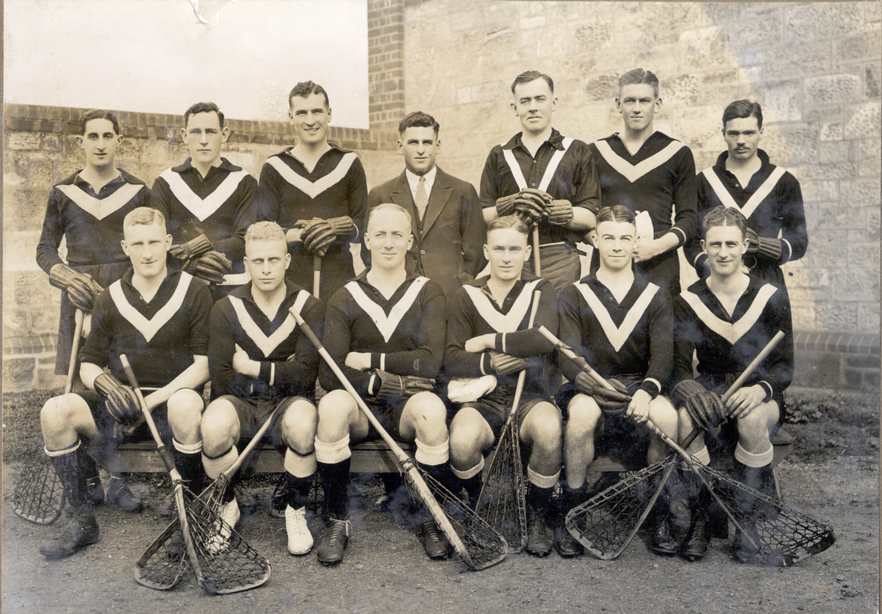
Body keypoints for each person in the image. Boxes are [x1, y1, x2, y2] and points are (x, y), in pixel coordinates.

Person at [37, 207, 211, 560]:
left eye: (153, 243)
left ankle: (187, 519)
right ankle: (84, 521)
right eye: (137, 244)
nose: (147, 252)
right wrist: (107, 386)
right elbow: (88, 363)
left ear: (167, 243)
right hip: (123, 413)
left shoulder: (194, 291)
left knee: (185, 402)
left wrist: (152, 400)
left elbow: (204, 366)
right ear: (125, 247)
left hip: (171, 410)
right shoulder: (110, 296)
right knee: (56, 411)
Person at [315, 204, 449, 565]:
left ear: (410, 241)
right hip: (362, 410)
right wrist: (387, 385)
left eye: (397, 235)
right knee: (331, 406)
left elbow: (430, 362)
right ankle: (336, 521)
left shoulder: (427, 291)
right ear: (367, 240)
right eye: (381, 235)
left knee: (432, 409)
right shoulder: (345, 295)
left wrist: (370, 362)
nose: (388, 243)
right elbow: (331, 373)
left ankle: (429, 518)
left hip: (408, 411)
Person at [671, 206, 793, 563]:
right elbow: (678, 368)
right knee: (683, 421)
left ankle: (745, 522)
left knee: (752, 419)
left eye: (731, 244)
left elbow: (786, 367)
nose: (723, 252)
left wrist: (760, 390)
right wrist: (692, 391)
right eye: (715, 244)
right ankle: (701, 519)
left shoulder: (771, 295)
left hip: (759, 390)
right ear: (704, 249)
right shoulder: (689, 299)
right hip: (710, 390)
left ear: (744, 247)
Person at [556, 205, 678, 558]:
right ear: (594, 239)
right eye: (608, 237)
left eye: (626, 238)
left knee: (667, 417)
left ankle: (656, 513)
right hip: (591, 388)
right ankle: (573, 511)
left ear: (636, 241)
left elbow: (663, 358)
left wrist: (647, 390)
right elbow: (568, 357)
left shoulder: (655, 294)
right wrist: (594, 387)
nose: (617, 246)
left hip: (639, 386)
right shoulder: (574, 293)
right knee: (579, 416)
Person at [200, 221, 324, 555]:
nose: (266, 269)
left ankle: (295, 511)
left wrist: (252, 367)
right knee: (212, 427)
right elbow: (222, 376)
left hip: (288, 406)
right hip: (240, 404)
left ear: (287, 260)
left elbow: (306, 376)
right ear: (246, 263)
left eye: (273, 260)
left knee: (302, 423)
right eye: (258, 261)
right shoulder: (226, 307)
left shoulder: (308, 306)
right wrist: (283, 370)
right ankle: (227, 506)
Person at [444, 215, 561, 557]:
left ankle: (537, 512)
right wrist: (491, 362)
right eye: (498, 249)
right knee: (462, 440)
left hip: (530, 396)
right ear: (486, 251)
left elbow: (544, 339)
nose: (506, 257)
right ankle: (484, 507)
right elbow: (452, 356)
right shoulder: (466, 295)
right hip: (483, 398)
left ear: (526, 252)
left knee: (549, 428)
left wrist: (487, 339)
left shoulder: (541, 290)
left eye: (514, 249)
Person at [36, 109, 151, 376]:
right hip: (79, 292)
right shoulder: (63, 192)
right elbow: (45, 249)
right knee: (80, 381)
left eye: (108, 136)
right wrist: (69, 280)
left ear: (118, 140)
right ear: (81, 141)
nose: (100, 144)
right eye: (93, 136)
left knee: (127, 377)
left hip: (126, 288)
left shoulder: (138, 191)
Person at [479, 71, 599, 293]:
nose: (532, 107)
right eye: (525, 101)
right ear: (515, 108)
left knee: (556, 324)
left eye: (540, 99)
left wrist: (552, 211)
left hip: (560, 259)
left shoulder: (578, 150)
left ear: (553, 103)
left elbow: (591, 216)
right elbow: (483, 214)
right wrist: (512, 204)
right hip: (510, 258)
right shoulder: (498, 155)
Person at [589, 68, 697, 297]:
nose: (637, 108)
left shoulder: (678, 153)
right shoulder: (596, 152)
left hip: (659, 265)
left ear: (657, 105)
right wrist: (609, 246)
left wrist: (656, 247)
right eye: (629, 101)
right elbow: (586, 213)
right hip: (608, 265)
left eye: (645, 100)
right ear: (618, 105)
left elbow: (688, 218)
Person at [257, 81, 367, 300]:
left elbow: (362, 223)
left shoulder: (348, 163)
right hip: (290, 280)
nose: (310, 121)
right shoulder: (274, 167)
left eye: (317, 111)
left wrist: (333, 228)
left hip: (339, 278)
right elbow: (265, 229)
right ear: (290, 117)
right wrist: (301, 234)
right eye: (301, 113)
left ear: (329, 114)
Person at [363, 111, 485, 300]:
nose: (421, 150)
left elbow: (476, 252)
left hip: (449, 296)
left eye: (427, 142)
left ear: (437, 146)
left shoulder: (463, 191)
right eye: (413, 142)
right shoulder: (381, 194)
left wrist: (460, 284)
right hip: (397, 297)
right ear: (399, 146)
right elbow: (369, 253)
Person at [687, 100, 808, 289]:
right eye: (734, 133)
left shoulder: (783, 181)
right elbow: (692, 242)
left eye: (749, 133)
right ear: (724, 134)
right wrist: (711, 266)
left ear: (761, 132)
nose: (741, 141)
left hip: (768, 283)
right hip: (717, 282)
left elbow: (799, 242)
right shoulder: (702, 182)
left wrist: (761, 245)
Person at [151, 102, 258, 301]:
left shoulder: (244, 181)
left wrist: (195, 251)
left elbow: (245, 239)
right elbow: (159, 242)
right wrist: (193, 263)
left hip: (231, 287)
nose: (203, 140)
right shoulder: (165, 182)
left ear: (224, 134)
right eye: (195, 132)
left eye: (210, 132)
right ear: (184, 135)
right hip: (181, 287)